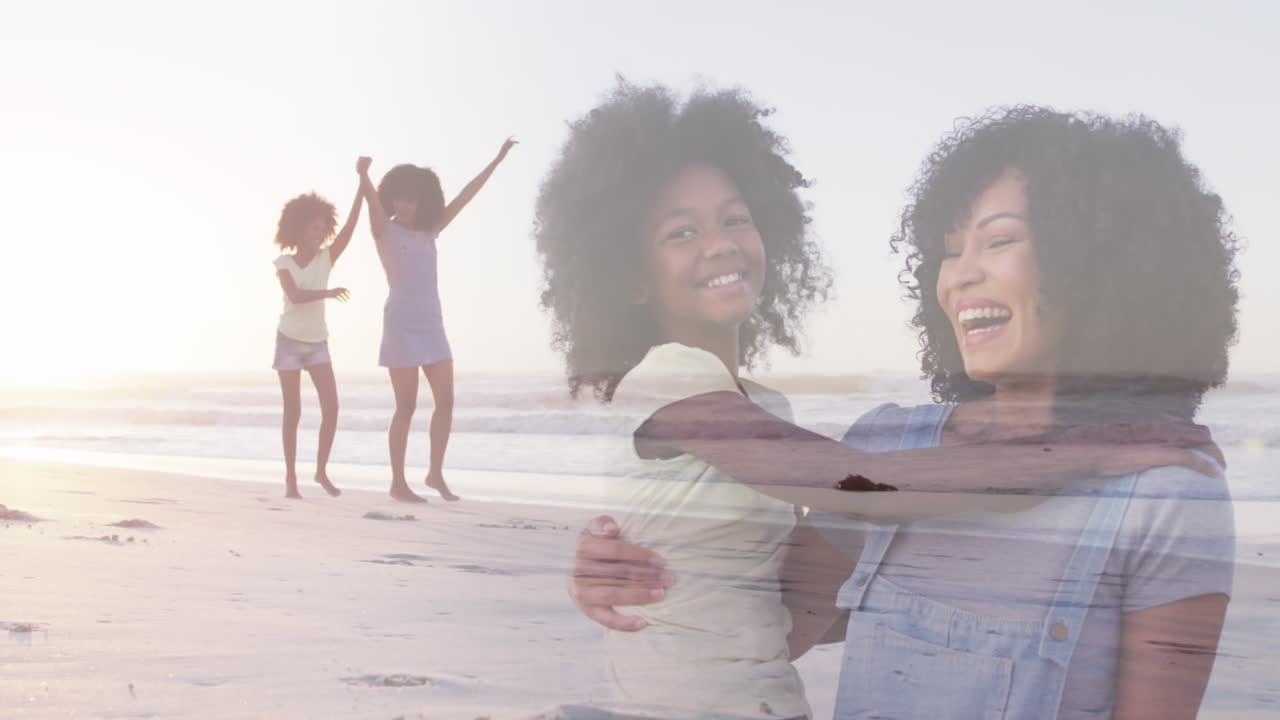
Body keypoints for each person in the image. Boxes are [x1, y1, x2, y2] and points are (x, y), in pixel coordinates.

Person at [539, 83, 1222, 719]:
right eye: (950, 250)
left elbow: (761, 610)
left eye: (1001, 239)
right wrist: (618, 572)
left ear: (1100, 259)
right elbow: (789, 585)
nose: (960, 275)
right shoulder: (886, 444)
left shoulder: (1163, 488)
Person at [356, 141, 516, 503]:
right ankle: (398, 482)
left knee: (446, 400)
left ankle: (434, 473)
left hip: (432, 324)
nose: (405, 206)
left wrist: (497, 159)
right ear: (392, 198)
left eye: (412, 200)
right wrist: (364, 175)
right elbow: (371, 203)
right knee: (407, 406)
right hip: (400, 323)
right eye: (400, 198)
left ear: (423, 201)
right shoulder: (385, 230)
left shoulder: (430, 231)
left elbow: (464, 197)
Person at [271, 176, 361, 499]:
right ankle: (291, 479)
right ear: (298, 231)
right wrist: (329, 292)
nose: (320, 234)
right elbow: (294, 296)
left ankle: (321, 470)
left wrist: (363, 186)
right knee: (292, 411)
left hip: (316, 342)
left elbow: (350, 229)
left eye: (323, 229)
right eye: (314, 228)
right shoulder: (284, 264)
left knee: (332, 407)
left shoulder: (326, 258)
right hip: (290, 341)